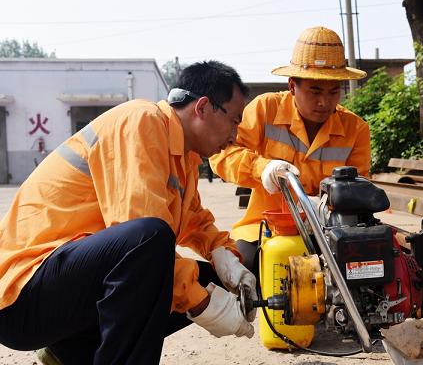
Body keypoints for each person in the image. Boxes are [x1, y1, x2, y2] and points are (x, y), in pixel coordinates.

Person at [0, 61, 258, 365]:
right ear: (202, 108)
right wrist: (204, 302)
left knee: (203, 275)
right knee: (150, 241)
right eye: (235, 121)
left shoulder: (183, 156)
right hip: (23, 295)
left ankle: (74, 351)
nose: (235, 135)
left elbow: (194, 219)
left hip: (64, 288)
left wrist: (222, 254)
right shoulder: (142, 122)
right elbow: (139, 236)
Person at [210, 26, 371, 270]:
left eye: (334, 91)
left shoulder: (355, 129)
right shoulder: (266, 109)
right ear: (292, 86)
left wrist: (328, 206)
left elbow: (359, 189)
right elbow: (221, 154)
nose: (324, 102)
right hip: (265, 229)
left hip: (329, 231)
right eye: (315, 90)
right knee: (244, 270)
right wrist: (262, 168)